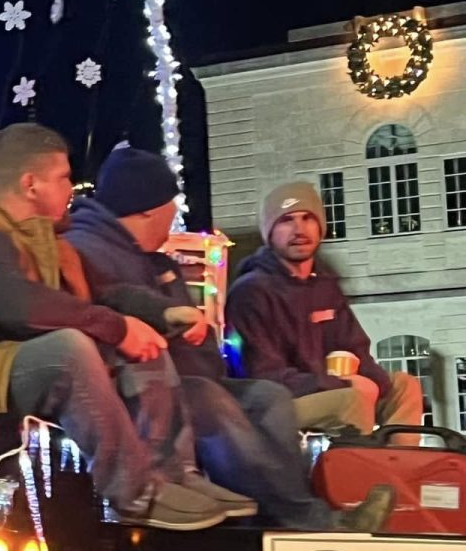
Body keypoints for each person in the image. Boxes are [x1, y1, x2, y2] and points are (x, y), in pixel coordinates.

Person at [0, 123, 243, 530]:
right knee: (69, 349)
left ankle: (174, 474)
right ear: (30, 184)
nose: (71, 189)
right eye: (62, 177)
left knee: (143, 343)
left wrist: (161, 315)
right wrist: (117, 328)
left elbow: (102, 293)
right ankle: (136, 493)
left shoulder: (39, 237)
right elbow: (22, 307)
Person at [66, 148, 393, 531]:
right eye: (172, 204)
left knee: (267, 397)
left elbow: (198, 341)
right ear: (149, 209)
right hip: (144, 383)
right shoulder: (89, 250)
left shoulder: (156, 261)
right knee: (213, 402)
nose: (174, 215)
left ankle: (276, 512)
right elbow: (112, 308)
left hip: (192, 374)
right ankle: (313, 520)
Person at [226, 182, 424, 435]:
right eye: (287, 220)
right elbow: (264, 375)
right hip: (278, 404)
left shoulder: (325, 286)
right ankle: (355, 458)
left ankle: (397, 458)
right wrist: (338, 384)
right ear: (270, 232)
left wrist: (375, 381)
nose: (299, 229)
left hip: (328, 387)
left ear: (320, 227)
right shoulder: (251, 292)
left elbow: (355, 348)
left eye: (308, 218)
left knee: (404, 386)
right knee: (352, 399)